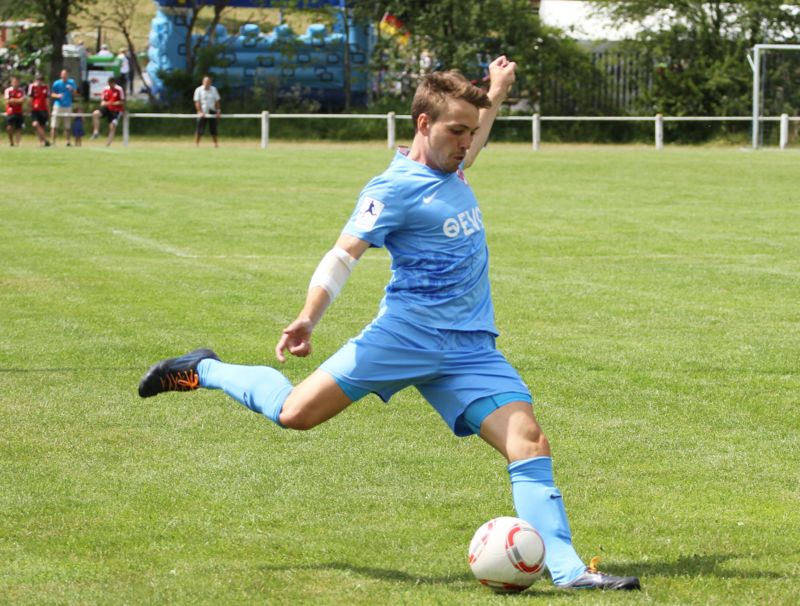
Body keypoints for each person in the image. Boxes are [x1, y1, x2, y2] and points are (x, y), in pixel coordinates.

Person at [138, 56, 641, 591]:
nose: (467, 142)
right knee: (294, 414)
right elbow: (343, 256)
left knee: (529, 440)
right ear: (424, 124)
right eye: (457, 131)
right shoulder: (392, 188)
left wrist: (495, 90)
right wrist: (308, 316)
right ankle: (205, 369)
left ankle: (567, 570)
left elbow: (474, 131)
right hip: (404, 337)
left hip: (470, 349)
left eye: (472, 132)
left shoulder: (454, 165)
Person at [91, 77, 125, 146]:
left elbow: (122, 102)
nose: (110, 85)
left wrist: (111, 103)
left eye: (111, 83)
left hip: (116, 110)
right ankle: (96, 132)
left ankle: (108, 143)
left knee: (112, 126)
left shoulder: (119, 89)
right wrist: (103, 103)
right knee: (95, 113)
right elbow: (103, 100)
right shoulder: (106, 89)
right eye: (109, 83)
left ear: (114, 83)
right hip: (107, 108)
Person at [193, 75, 221, 147]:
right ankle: (196, 144)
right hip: (202, 111)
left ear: (210, 82)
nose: (207, 83)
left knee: (213, 129)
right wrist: (200, 112)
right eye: (206, 82)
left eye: (208, 82)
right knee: (199, 129)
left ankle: (216, 144)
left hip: (212, 111)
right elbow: (197, 102)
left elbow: (217, 101)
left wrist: (218, 111)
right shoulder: (198, 90)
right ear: (203, 82)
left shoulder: (214, 89)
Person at [51, 69, 77, 146]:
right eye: (63, 74)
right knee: (54, 125)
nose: (64, 76)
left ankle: (68, 141)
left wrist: (71, 89)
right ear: (60, 75)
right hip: (58, 105)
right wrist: (57, 95)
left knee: (67, 126)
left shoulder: (71, 82)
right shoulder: (56, 83)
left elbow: (75, 94)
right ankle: (53, 142)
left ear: (67, 75)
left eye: (65, 74)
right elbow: (52, 94)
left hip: (67, 106)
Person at [27, 73, 51, 147]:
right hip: (35, 109)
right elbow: (30, 99)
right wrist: (29, 108)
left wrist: (49, 111)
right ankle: (46, 140)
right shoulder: (32, 87)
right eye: (38, 80)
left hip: (43, 109)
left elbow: (47, 100)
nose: (39, 81)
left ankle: (42, 143)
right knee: (35, 124)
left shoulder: (46, 87)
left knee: (42, 127)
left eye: (41, 80)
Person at [4, 76, 25, 146]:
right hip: (10, 112)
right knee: (9, 128)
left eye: (17, 82)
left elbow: (22, 100)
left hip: (19, 112)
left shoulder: (21, 91)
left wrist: (13, 100)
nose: (15, 83)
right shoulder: (8, 90)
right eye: (14, 82)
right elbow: (7, 101)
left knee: (18, 128)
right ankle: (11, 142)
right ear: (11, 83)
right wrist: (17, 100)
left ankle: (17, 143)